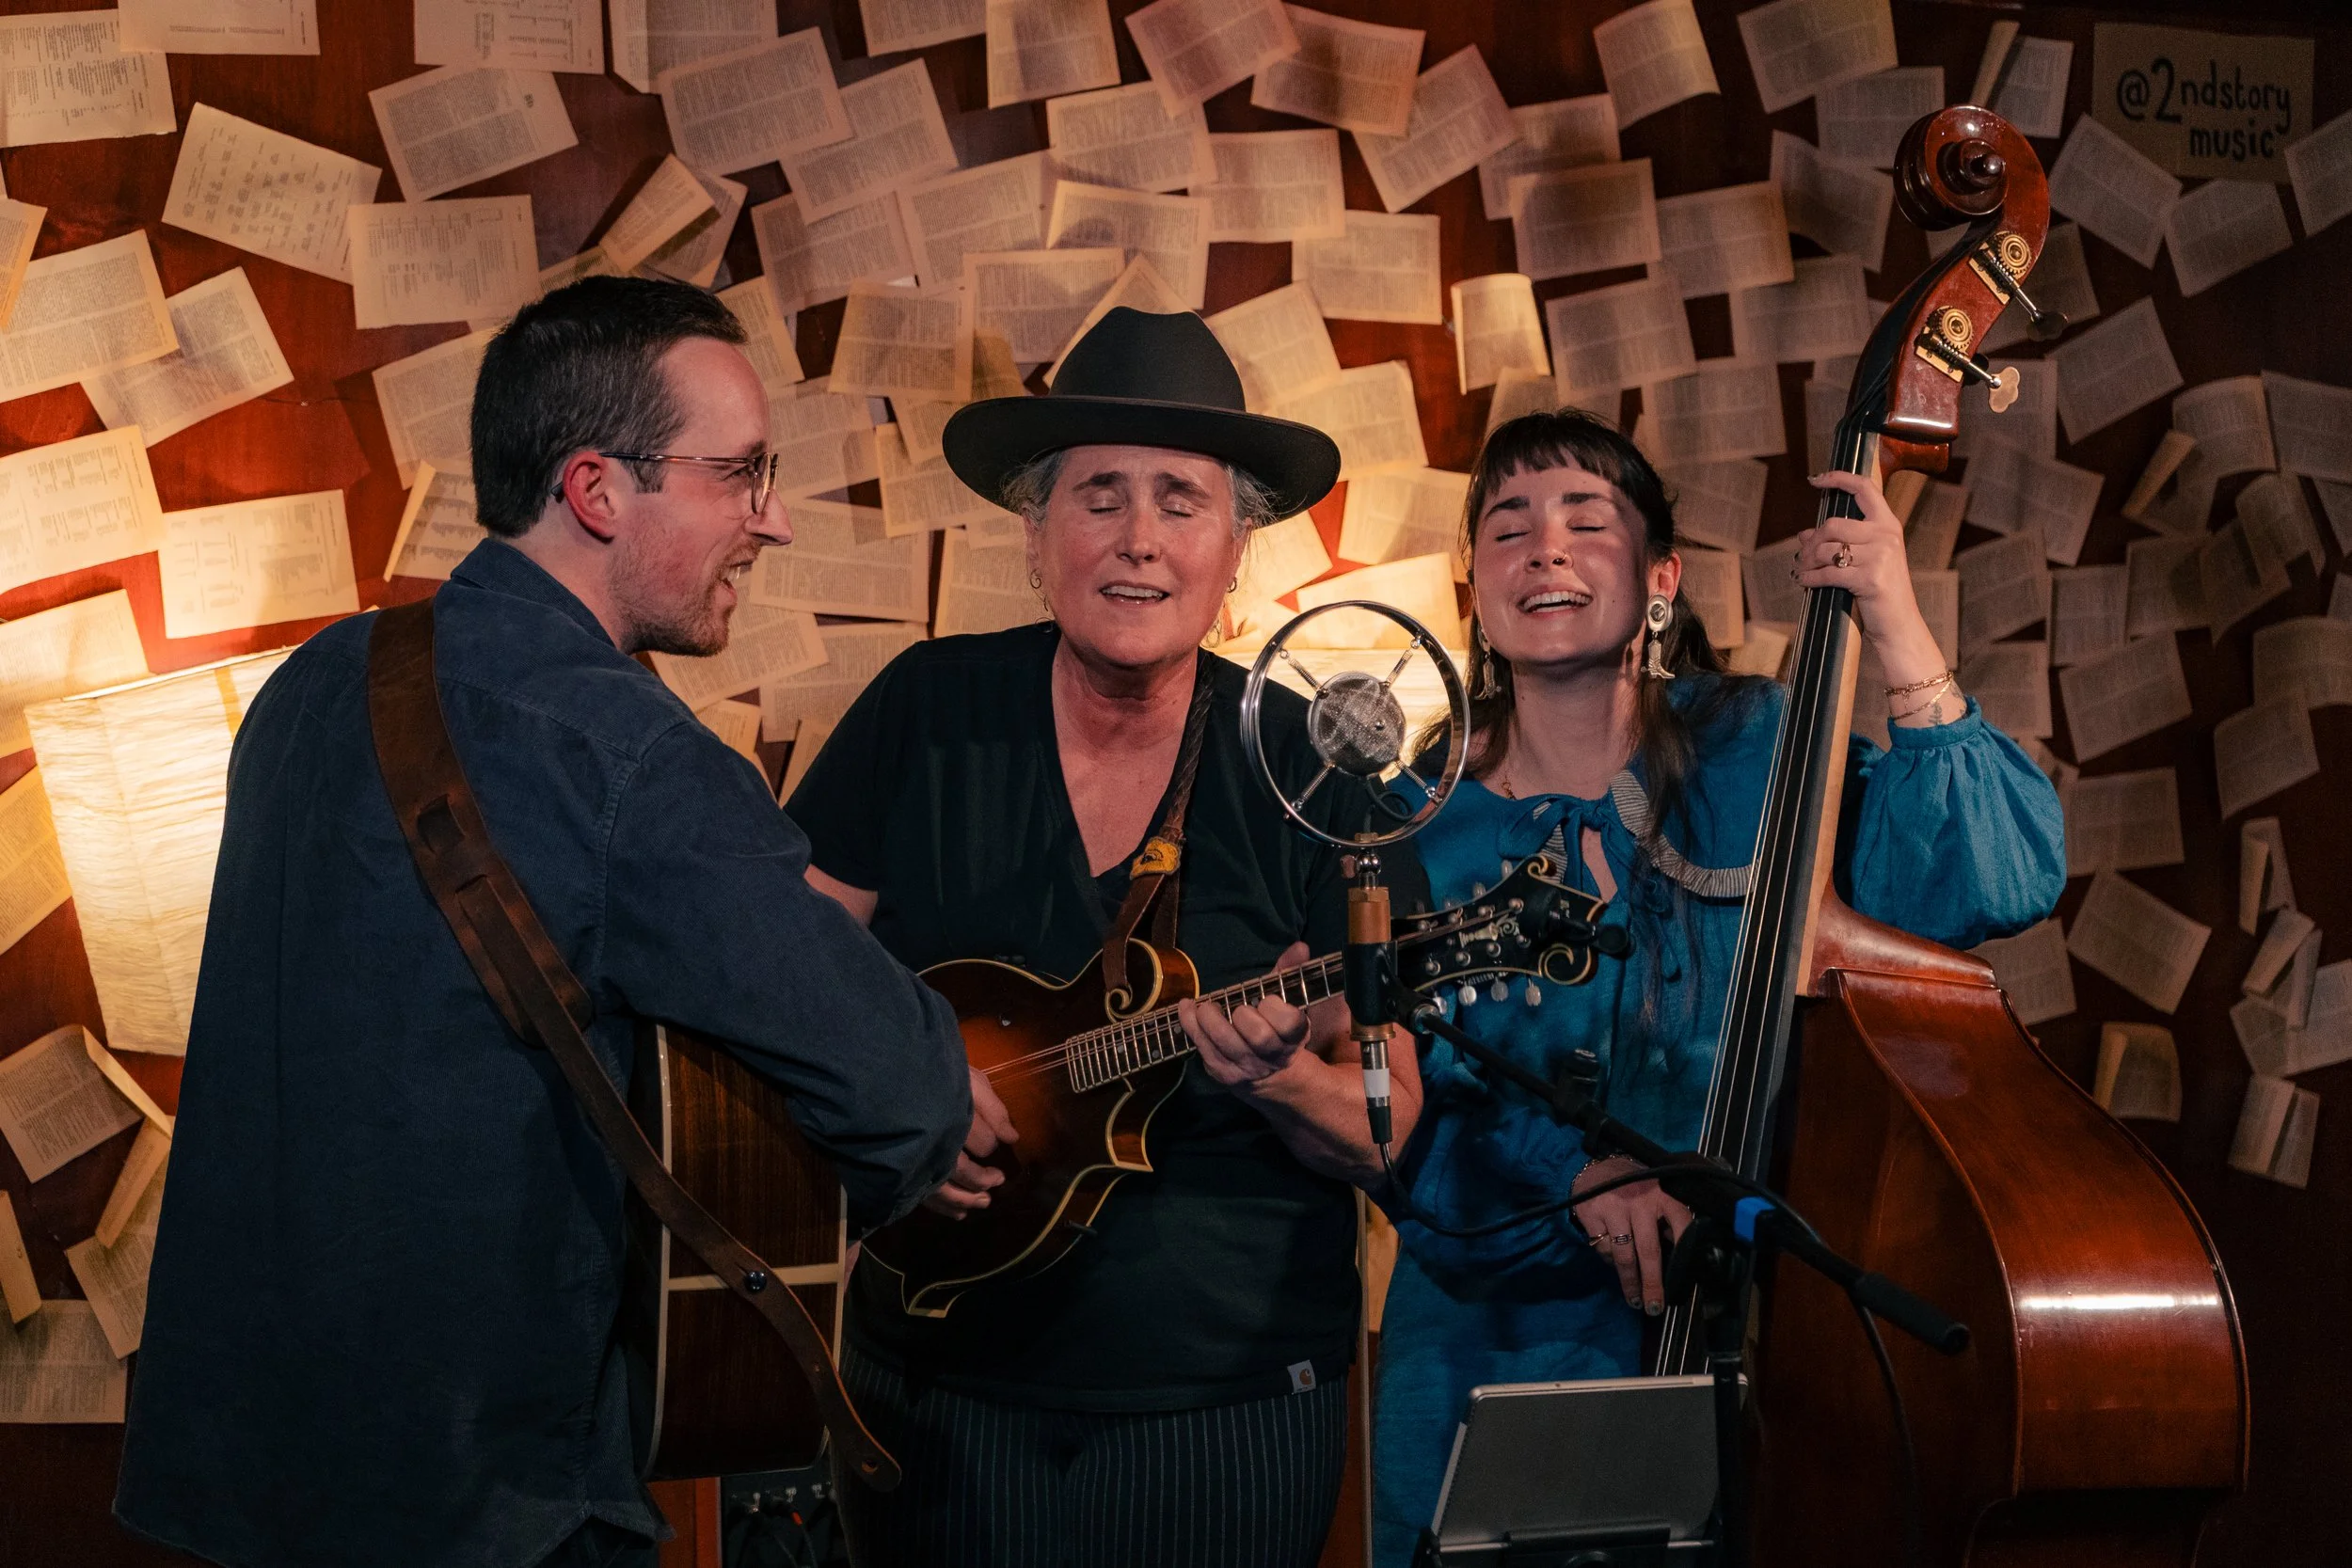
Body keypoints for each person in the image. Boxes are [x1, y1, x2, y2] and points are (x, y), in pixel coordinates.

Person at [116, 277, 977, 1568]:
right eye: (739, 473)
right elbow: (903, 1085)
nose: (774, 520)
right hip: (492, 1504)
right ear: (596, 489)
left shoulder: (308, 682)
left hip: (239, 1482)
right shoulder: (633, 756)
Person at [787, 308, 1428, 1567]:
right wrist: (896, 1089)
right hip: (931, 1384)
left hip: (1222, 1410)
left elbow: (1389, 1120)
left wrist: (1282, 1074)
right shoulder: (927, 709)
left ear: (1236, 545)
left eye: (1182, 501)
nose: (1140, 538)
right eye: (1099, 496)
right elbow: (779, 968)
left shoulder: (1312, 766)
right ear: (1037, 535)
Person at [1367, 411, 2066, 1566]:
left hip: (1767, 1343)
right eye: (1507, 527)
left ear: (1658, 579)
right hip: (1492, 1351)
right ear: (1475, 587)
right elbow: (1389, 1111)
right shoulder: (1411, 815)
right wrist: (1571, 1173)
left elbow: (1993, 872)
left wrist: (1892, 616)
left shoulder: (1757, 742)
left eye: (1585, 520)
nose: (1544, 547)